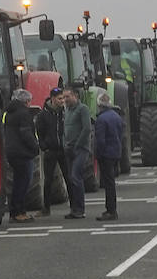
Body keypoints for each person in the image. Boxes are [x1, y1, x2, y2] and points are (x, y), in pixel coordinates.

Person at [3, 88, 39, 223]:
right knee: (23, 183)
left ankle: (15, 211)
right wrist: (35, 146)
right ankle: (19, 212)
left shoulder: (9, 113)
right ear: (26, 101)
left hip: (12, 151)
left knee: (18, 182)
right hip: (22, 152)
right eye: (30, 101)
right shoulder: (24, 113)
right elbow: (26, 134)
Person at [61, 87, 92, 219]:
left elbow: (86, 128)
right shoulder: (67, 110)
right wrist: (65, 144)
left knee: (75, 176)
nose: (65, 100)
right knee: (70, 178)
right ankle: (74, 208)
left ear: (75, 96)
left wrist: (78, 144)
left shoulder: (82, 109)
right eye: (64, 97)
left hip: (80, 149)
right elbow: (65, 129)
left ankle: (80, 209)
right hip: (69, 148)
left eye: (68, 97)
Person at [35, 87, 65, 216]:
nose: (62, 101)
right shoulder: (43, 115)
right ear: (52, 99)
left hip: (63, 150)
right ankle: (46, 208)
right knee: (48, 180)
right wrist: (44, 146)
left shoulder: (64, 113)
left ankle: (76, 206)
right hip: (51, 150)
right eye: (59, 99)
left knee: (69, 178)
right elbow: (40, 132)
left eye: (63, 98)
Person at [94, 91, 124, 221]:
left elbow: (100, 140)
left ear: (99, 104)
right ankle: (111, 209)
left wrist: (97, 154)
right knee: (111, 182)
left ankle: (111, 210)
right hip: (116, 152)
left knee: (108, 184)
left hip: (106, 154)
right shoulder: (116, 117)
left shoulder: (101, 119)